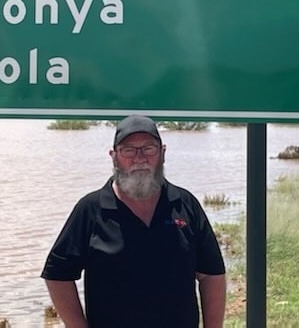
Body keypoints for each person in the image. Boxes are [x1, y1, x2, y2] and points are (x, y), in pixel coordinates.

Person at [41, 114, 227, 328]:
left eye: (148, 148)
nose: (139, 158)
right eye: (128, 150)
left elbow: (211, 274)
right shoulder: (91, 209)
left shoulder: (185, 204)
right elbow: (57, 274)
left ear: (162, 153)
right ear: (114, 157)